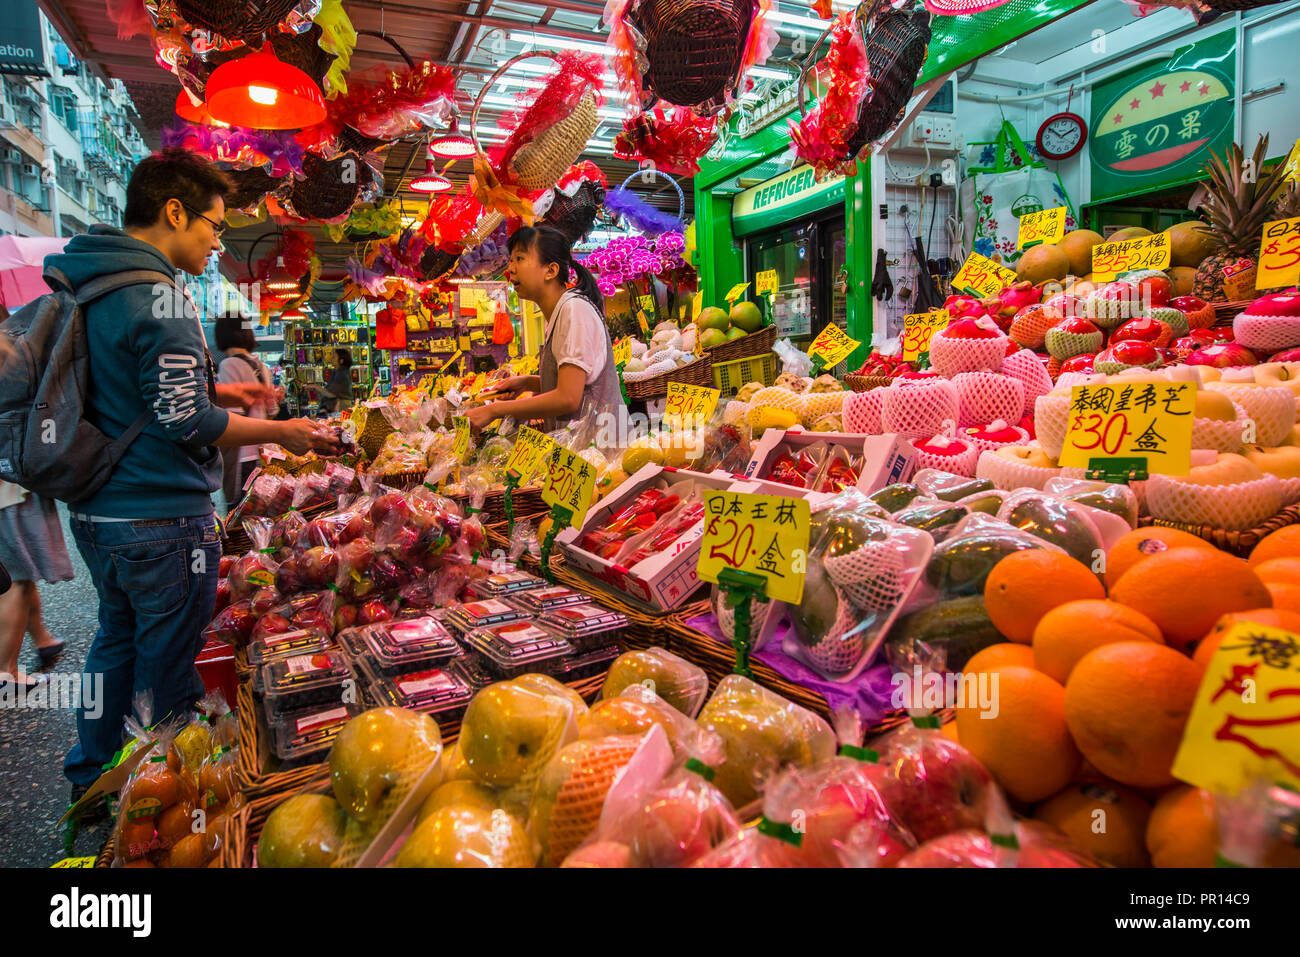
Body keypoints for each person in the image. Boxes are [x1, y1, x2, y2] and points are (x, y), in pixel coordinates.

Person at [44, 148, 341, 815]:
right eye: (212, 223)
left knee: (114, 640)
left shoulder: (92, 282)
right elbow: (186, 420)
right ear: (173, 212)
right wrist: (282, 432)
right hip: (160, 514)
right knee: (168, 666)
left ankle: (91, 779)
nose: (216, 240)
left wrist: (236, 398)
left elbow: (144, 397)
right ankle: (166, 804)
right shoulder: (159, 294)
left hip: (99, 511)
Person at [466, 225, 625, 434]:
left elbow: (568, 398)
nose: (510, 268)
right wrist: (526, 383)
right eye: (511, 260)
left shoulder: (574, 310)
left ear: (551, 270)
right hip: (581, 451)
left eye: (520, 259)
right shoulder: (557, 314)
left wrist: (496, 410)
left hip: (604, 453)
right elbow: (577, 384)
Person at [0, 480, 71, 692]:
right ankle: (6, 672)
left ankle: (43, 640)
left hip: (12, 488)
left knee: (23, 575)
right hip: (7, 493)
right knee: (15, 579)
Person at [215, 313, 281, 509]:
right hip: (264, 454)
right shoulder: (261, 365)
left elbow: (234, 417)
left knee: (239, 514)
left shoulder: (229, 364)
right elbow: (272, 411)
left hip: (243, 456)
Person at [319, 348, 354, 413]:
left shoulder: (342, 374)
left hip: (341, 407)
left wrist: (315, 387)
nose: (331, 359)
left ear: (341, 361)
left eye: (334, 357)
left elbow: (332, 393)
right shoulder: (338, 372)